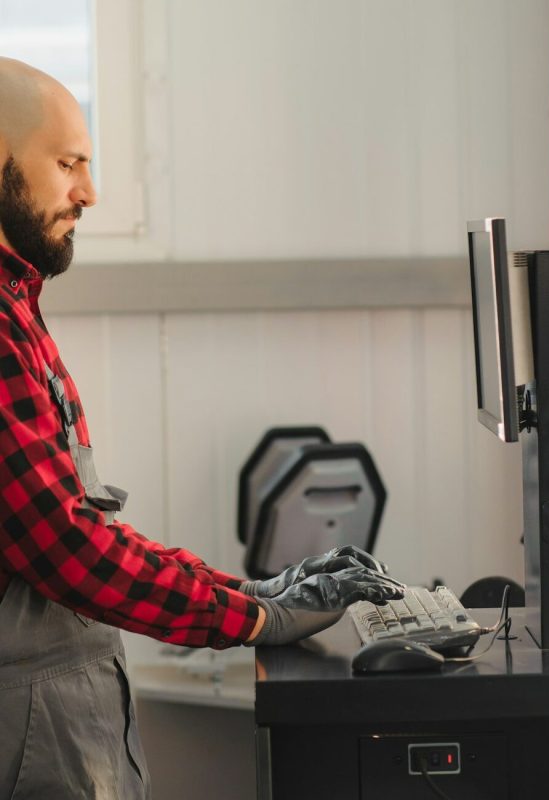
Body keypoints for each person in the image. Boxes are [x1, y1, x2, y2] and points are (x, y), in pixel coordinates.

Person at [0, 58, 403, 799]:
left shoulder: (17, 306)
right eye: (67, 164)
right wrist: (252, 616)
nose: (89, 193)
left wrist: (255, 589)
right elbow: (68, 547)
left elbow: (78, 526)